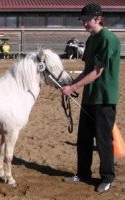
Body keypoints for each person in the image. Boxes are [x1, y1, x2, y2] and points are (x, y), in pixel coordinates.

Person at [61, 3, 120, 193]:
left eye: (86, 20)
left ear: (98, 18)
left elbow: (97, 71)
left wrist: (74, 87)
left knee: (103, 141)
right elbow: (87, 69)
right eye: (83, 21)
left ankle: (107, 178)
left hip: (104, 98)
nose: (84, 24)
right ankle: (83, 173)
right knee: (84, 139)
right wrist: (70, 83)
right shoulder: (91, 40)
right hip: (89, 97)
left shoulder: (108, 39)